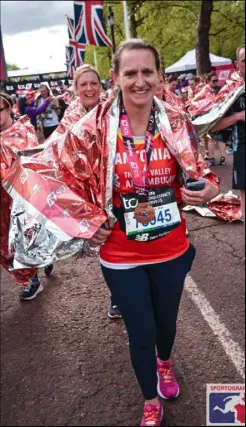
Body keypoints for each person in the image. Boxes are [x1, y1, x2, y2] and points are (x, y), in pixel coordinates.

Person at [63, 39, 219, 425]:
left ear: (159, 76)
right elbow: (65, 186)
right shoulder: (91, 129)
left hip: (170, 248)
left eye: (147, 71)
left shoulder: (176, 121)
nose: (139, 81)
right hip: (121, 256)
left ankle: (164, 364)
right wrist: (86, 225)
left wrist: (210, 188)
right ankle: (150, 398)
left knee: (167, 325)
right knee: (141, 332)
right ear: (115, 78)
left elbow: (204, 174)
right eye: (130, 72)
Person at [0, 92, 45, 300]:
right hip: (2, 201)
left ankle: (32, 279)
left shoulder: (22, 132)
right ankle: (39, 263)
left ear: (9, 109)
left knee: (22, 240)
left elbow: (30, 162)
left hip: (21, 197)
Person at [212, 44, 245, 236]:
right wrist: (238, 116)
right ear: (237, 65)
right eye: (245, 61)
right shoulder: (231, 92)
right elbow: (211, 125)